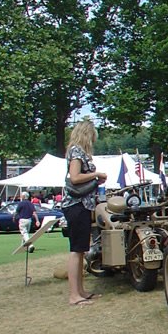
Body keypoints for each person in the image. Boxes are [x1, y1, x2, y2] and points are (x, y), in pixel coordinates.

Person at [63, 118, 107, 305]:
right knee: (76, 250)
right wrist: (96, 174)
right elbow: (74, 177)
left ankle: (80, 291)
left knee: (81, 249)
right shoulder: (76, 152)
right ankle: (74, 295)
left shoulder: (77, 152)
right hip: (77, 206)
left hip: (82, 206)